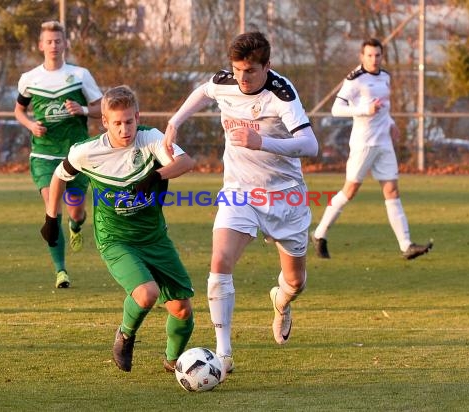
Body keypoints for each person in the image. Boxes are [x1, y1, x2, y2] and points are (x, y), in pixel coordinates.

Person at [163, 31, 319, 380]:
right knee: (219, 262)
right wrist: (175, 122)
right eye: (237, 70)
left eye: (249, 71)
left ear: (267, 66)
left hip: (285, 196)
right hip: (240, 192)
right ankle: (223, 354)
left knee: (295, 282)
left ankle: (281, 302)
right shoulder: (225, 80)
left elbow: (310, 145)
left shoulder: (282, 95)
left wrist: (260, 141)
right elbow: (204, 91)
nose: (242, 78)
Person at [41, 85, 196, 373]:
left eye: (129, 121)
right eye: (117, 123)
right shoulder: (87, 152)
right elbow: (58, 176)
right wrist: (51, 219)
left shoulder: (150, 139)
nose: (124, 129)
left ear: (138, 117)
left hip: (154, 236)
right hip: (115, 238)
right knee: (147, 293)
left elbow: (186, 161)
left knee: (182, 310)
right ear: (105, 122)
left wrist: (156, 175)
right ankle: (125, 336)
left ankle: (174, 362)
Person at [311, 38, 433, 260]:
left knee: (392, 191)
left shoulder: (385, 76)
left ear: (381, 56)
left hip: (383, 142)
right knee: (349, 191)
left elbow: (384, 108)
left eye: (377, 55)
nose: (374, 59)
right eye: (369, 55)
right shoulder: (355, 79)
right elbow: (336, 109)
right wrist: (365, 109)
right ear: (362, 56)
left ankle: (406, 245)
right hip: (363, 143)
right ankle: (319, 234)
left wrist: (392, 123)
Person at [15, 20, 103, 288]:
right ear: (41, 45)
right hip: (43, 156)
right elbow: (19, 110)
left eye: (58, 41)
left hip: (75, 155)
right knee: (51, 210)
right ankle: (61, 271)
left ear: (65, 43)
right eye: (48, 41)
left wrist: (83, 110)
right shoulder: (29, 79)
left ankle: (76, 226)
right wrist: (31, 124)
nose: (53, 45)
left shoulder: (79, 75)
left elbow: (102, 108)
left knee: (75, 211)